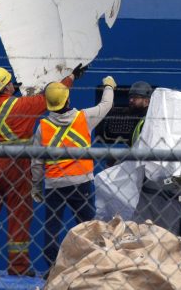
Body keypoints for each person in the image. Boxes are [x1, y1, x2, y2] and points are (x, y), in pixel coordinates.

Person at [0, 65, 84, 275]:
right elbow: (51, 96)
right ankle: (18, 268)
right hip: (17, 166)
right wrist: (71, 77)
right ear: (8, 86)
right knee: (18, 215)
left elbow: (1, 109)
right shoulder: (24, 105)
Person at [31, 75, 115, 269]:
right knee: (88, 226)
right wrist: (109, 85)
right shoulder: (83, 118)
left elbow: (36, 161)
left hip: (54, 184)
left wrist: (36, 186)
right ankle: (94, 265)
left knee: (52, 228)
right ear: (67, 99)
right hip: (81, 182)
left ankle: (52, 268)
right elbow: (106, 104)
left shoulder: (43, 127)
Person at [127, 81, 153, 146]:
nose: (131, 100)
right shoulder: (140, 118)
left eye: (135, 97)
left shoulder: (148, 121)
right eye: (130, 97)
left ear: (147, 101)